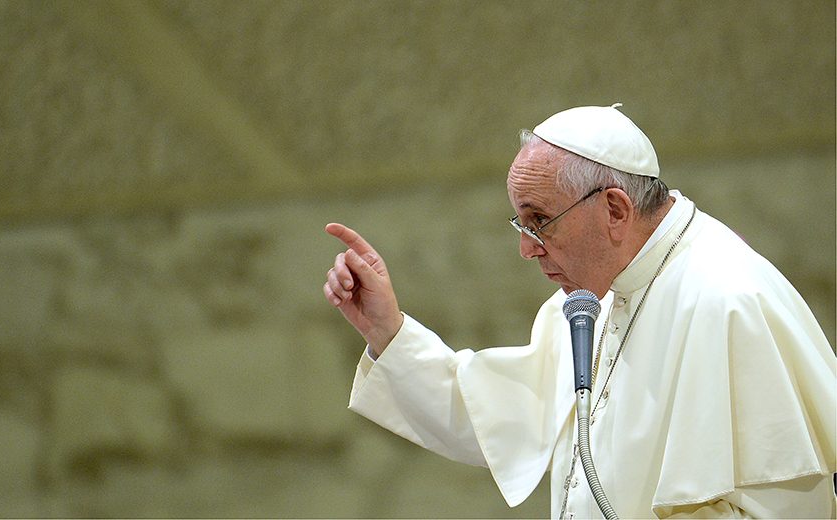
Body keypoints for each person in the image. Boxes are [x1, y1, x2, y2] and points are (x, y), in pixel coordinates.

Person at [323, 104, 836, 518]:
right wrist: (386, 329)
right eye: (521, 225)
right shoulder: (598, 294)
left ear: (615, 210)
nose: (527, 250)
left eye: (540, 221)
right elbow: (500, 413)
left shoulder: (728, 301)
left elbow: (785, 507)